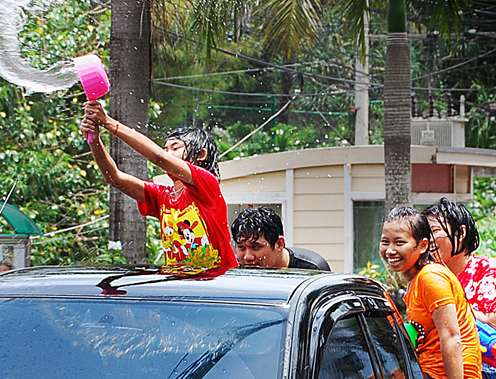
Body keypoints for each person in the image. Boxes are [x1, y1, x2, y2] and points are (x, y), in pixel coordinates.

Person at [81, 101, 237, 269]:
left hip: (219, 285)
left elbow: (159, 157)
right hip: (180, 284)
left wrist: (107, 122)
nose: (168, 154)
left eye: (175, 148)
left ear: (200, 155)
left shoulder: (207, 183)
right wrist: (94, 140)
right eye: (166, 149)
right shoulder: (163, 196)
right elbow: (114, 178)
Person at [379, 206, 481, 379]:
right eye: (385, 242)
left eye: (399, 242)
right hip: (432, 376)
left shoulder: (430, 277)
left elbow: (451, 336)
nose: (390, 250)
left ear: (423, 245)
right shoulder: (415, 281)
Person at [425, 198, 496, 379]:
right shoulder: (430, 277)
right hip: (458, 364)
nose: (428, 240)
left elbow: (492, 324)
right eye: (424, 234)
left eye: (433, 231)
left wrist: (449, 307)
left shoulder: (490, 269)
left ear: (460, 233)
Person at [230, 206, 331, 271]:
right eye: (241, 247)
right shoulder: (234, 268)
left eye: (256, 247)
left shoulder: (312, 269)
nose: (247, 257)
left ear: (279, 244)